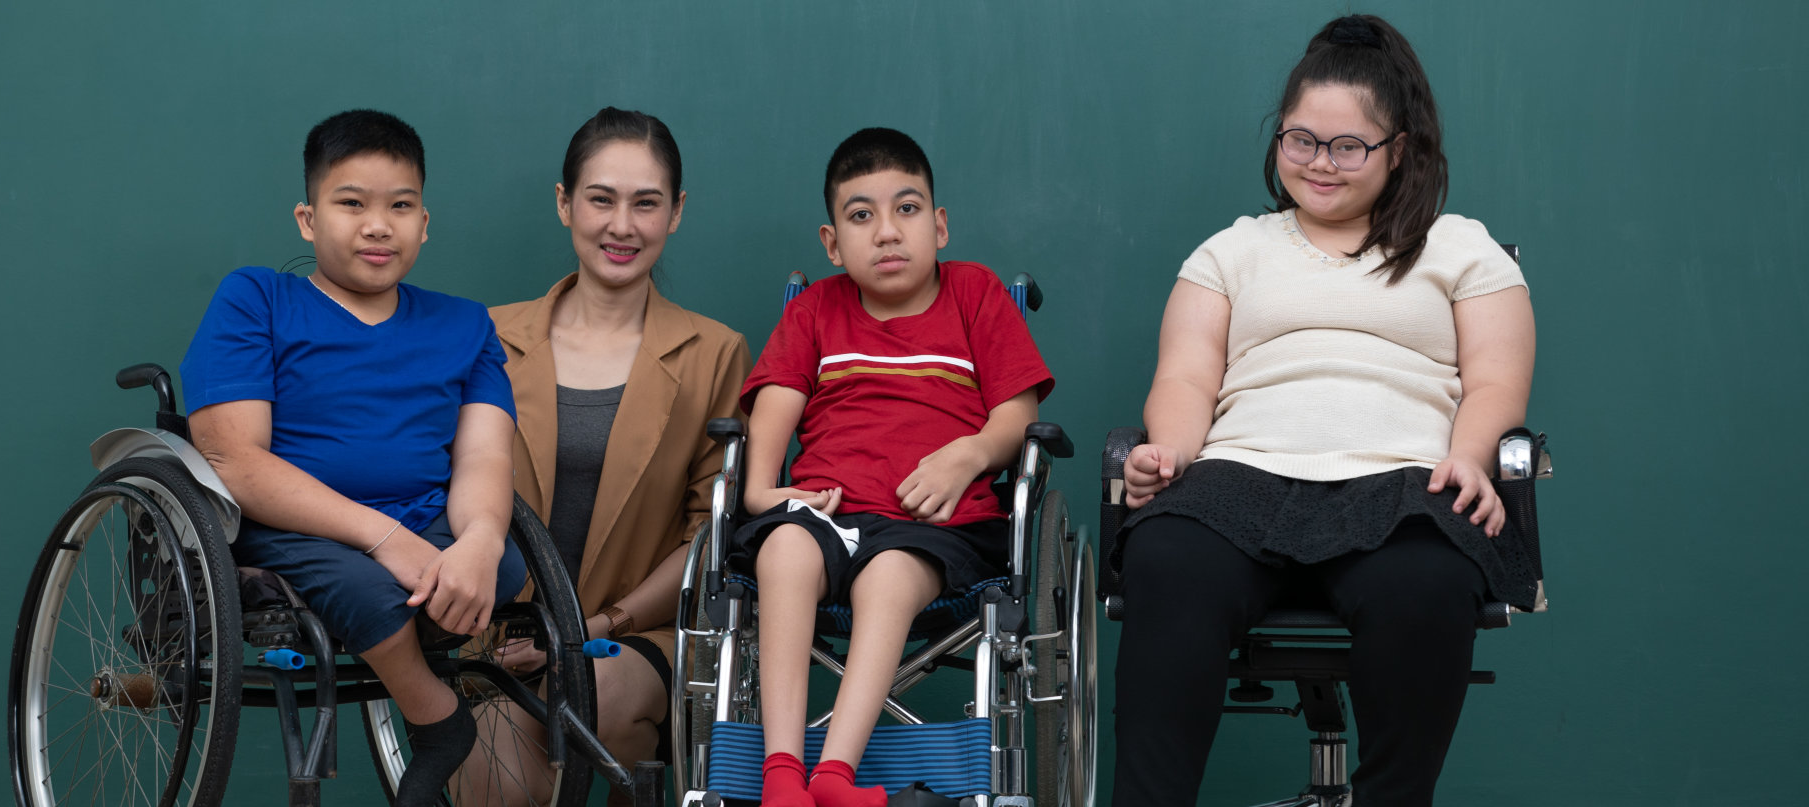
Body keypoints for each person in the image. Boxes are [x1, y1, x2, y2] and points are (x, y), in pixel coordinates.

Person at [1111, 15, 1538, 807]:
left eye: (1348, 146)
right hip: (1240, 473)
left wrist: (1470, 456)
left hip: (1403, 480)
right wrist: (1168, 451)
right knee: (1168, 558)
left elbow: (1495, 383)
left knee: (1425, 581)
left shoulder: (1462, 249)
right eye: (1300, 140)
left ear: (1400, 149)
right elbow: (1187, 373)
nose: (1320, 164)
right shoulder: (1231, 251)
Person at [181, 109, 527, 807]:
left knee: (508, 563)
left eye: (400, 206)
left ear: (425, 223)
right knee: (370, 587)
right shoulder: (257, 299)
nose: (378, 225)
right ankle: (437, 716)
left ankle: (427, 611)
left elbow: (485, 456)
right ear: (308, 220)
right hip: (288, 525)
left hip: (426, 515)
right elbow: (235, 461)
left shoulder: (465, 324)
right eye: (352, 204)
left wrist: (482, 542)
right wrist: (383, 537)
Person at [735, 127, 1055, 807]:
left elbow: (1017, 417)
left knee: (886, 575)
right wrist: (762, 491)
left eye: (906, 209)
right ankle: (782, 775)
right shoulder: (818, 309)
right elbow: (776, 403)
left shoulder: (974, 294)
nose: (886, 232)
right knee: (784, 547)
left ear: (938, 225)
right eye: (861, 216)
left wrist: (965, 454)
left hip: (933, 527)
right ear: (831, 242)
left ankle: (834, 775)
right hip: (827, 511)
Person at [477, 107, 751, 800]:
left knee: (591, 690)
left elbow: (706, 534)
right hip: (498, 639)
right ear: (566, 202)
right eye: (601, 199)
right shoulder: (486, 335)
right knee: (497, 770)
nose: (622, 226)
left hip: (632, 638)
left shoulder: (715, 352)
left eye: (646, 203)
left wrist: (589, 628)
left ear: (677, 211)